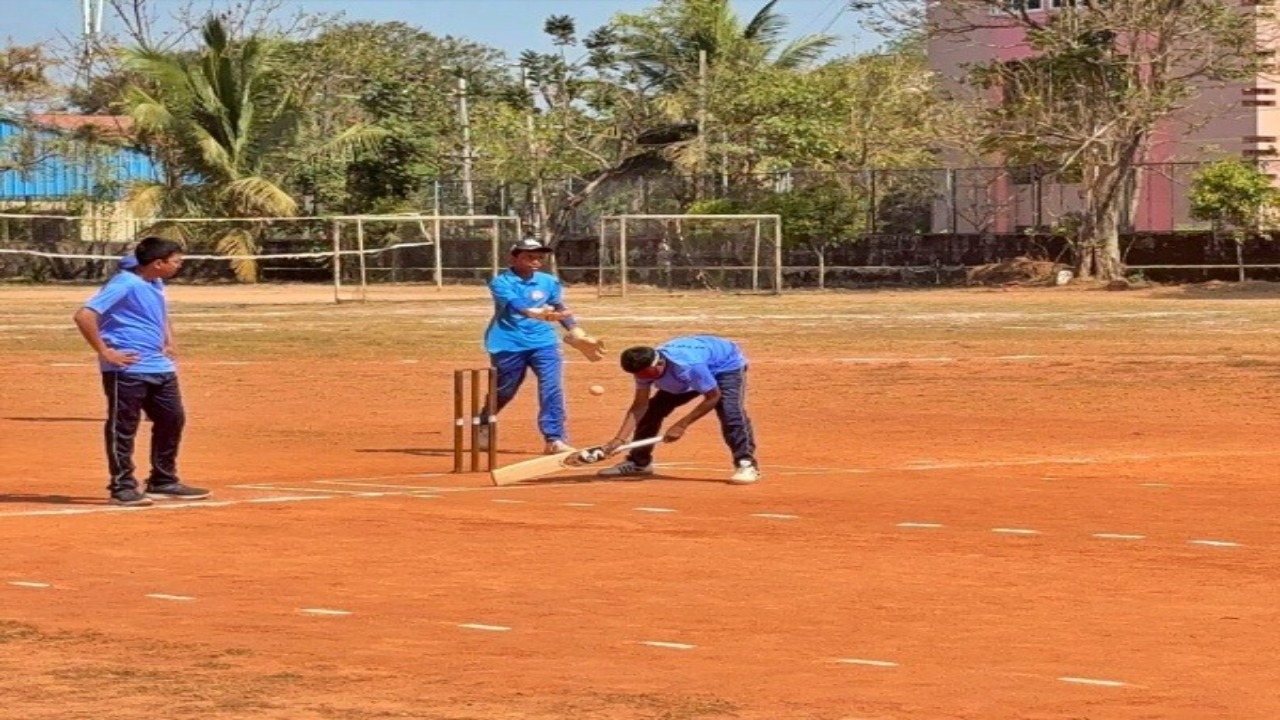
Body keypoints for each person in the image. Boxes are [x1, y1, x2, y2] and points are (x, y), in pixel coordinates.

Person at [73, 237, 210, 507]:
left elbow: (161, 313)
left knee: (172, 419)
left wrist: (168, 339)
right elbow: (84, 315)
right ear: (158, 263)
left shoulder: (154, 282)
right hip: (127, 368)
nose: (179, 265)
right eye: (176, 261)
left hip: (159, 366)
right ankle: (122, 486)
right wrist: (106, 351)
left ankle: (163, 479)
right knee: (123, 426)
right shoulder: (125, 283)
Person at [481, 237, 604, 454]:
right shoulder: (501, 282)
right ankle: (483, 421)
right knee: (505, 391)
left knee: (552, 387)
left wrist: (576, 331)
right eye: (529, 256)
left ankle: (554, 439)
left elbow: (558, 306)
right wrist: (532, 312)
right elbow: (515, 304)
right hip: (508, 342)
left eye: (539, 257)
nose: (536, 261)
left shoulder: (548, 281)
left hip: (544, 342)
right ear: (514, 257)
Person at [598, 335, 760, 484]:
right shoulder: (643, 369)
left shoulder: (689, 366)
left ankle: (746, 463)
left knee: (730, 412)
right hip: (687, 373)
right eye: (638, 375)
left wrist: (682, 425)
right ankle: (639, 462)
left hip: (724, 366)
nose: (643, 379)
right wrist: (619, 439)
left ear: (659, 363)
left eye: (646, 374)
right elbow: (640, 405)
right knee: (652, 411)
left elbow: (712, 397)